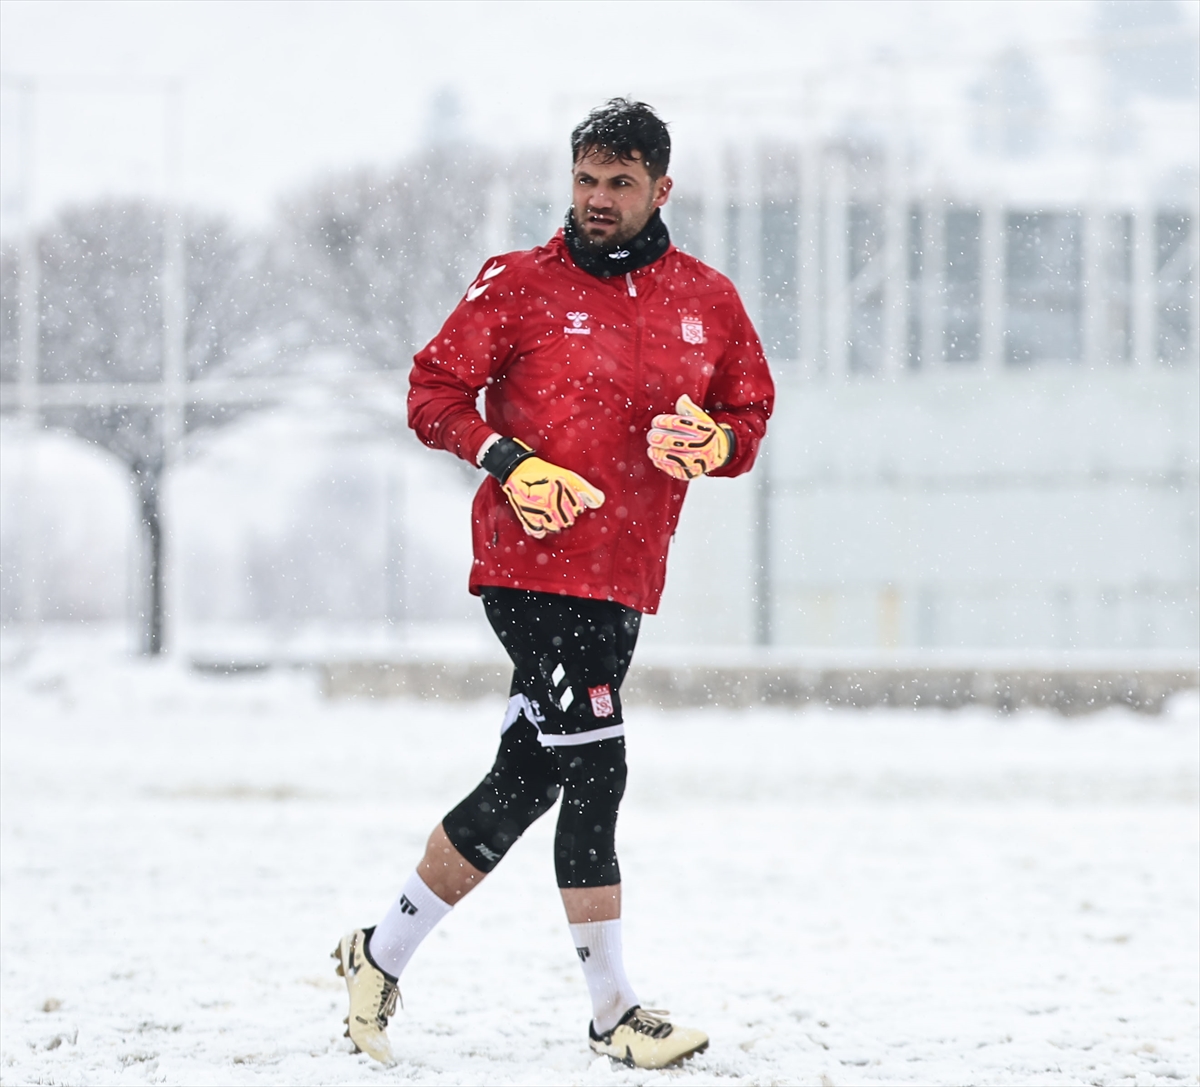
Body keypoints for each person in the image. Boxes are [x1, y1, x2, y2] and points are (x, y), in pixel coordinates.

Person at [333, 97, 774, 1070]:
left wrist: (718, 441)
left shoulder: (707, 297)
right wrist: (507, 458)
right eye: (586, 180)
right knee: (600, 766)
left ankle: (377, 953)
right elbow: (432, 392)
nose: (599, 200)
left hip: (625, 576)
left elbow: (748, 408)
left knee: (529, 777)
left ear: (663, 188)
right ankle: (614, 1009)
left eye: (620, 183)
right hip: (527, 570)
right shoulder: (518, 286)